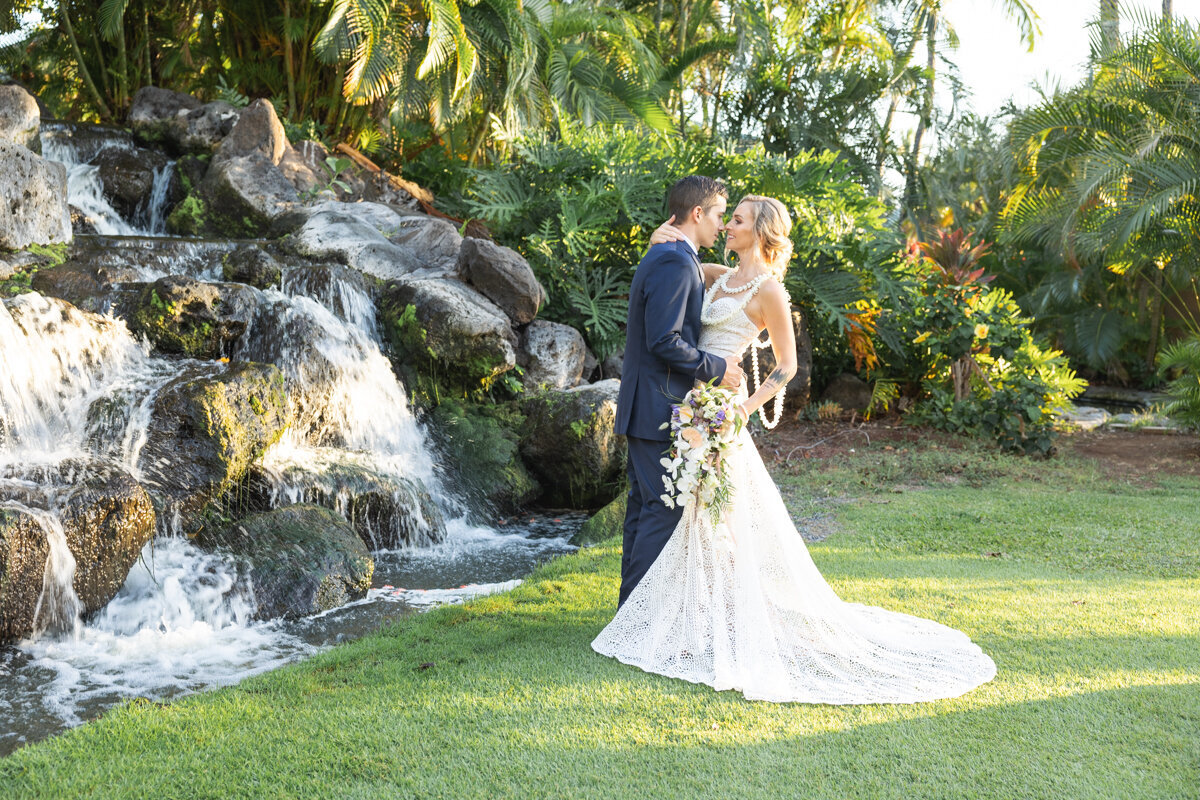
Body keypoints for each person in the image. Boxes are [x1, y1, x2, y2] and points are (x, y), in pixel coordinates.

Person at [593, 194, 997, 704]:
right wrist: (662, 235)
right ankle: (668, 610)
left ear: (760, 230)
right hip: (688, 399)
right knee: (688, 509)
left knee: (710, 510)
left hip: (721, 407)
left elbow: (786, 365)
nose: (728, 226)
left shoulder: (770, 292)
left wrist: (746, 406)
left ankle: (682, 613)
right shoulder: (720, 276)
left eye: (736, 220)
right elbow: (685, 259)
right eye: (725, 217)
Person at [614, 175, 745, 608]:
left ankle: (629, 616)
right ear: (696, 214)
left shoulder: (670, 255)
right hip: (656, 406)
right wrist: (718, 368)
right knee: (661, 511)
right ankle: (638, 622)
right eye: (720, 216)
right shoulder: (673, 260)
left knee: (645, 509)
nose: (722, 226)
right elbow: (664, 340)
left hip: (646, 403)